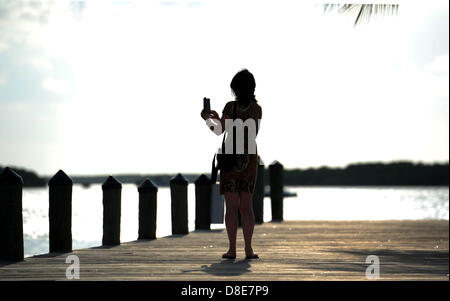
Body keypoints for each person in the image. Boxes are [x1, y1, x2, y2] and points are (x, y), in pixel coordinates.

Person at [201, 69, 262, 259]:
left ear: (235, 89)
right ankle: (249, 249)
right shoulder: (256, 109)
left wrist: (208, 119)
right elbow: (249, 132)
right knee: (246, 205)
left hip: (230, 159)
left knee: (231, 206)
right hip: (249, 159)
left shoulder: (230, 107)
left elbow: (219, 130)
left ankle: (232, 249)